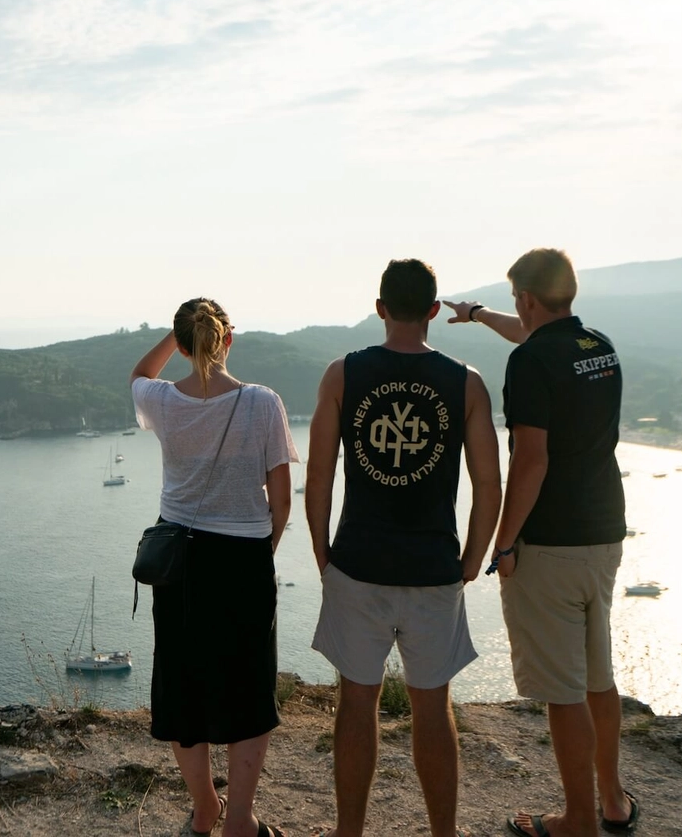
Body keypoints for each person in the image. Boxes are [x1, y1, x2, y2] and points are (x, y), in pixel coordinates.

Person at [444, 248, 638, 837]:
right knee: (598, 678)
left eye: (512, 301)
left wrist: (504, 544)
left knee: (562, 692)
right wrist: (478, 314)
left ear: (526, 299)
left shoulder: (531, 362)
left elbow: (530, 460)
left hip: (549, 543)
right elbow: (533, 341)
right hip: (603, 532)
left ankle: (576, 820)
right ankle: (611, 801)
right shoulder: (596, 346)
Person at [306, 259, 502, 837]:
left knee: (357, 703)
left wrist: (323, 553)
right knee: (432, 707)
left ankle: (349, 833)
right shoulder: (466, 382)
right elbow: (490, 482)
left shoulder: (343, 374)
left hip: (358, 564)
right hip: (434, 567)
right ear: (436, 311)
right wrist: (472, 556)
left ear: (380, 308)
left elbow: (319, 475)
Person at [130, 297, 299, 837]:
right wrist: (261, 552)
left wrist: (172, 337)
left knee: (185, 686)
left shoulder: (161, 400)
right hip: (243, 558)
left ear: (181, 346)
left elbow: (139, 373)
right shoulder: (262, 403)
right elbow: (282, 499)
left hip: (179, 561)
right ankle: (241, 821)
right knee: (247, 687)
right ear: (229, 340)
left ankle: (206, 810)